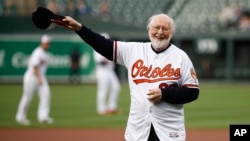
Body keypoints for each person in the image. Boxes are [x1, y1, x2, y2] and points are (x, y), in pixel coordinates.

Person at [56, 13, 200, 141]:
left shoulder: (181, 57)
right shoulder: (134, 50)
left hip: (169, 130)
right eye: (156, 27)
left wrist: (164, 93)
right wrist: (80, 29)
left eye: (165, 28)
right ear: (149, 29)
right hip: (138, 129)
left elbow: (193, 91)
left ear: (172, 33)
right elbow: (104, 45)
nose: (160, 32)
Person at [16, 35, 53, 126]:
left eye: (48, 43)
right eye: (45, 43)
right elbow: (34, 67)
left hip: (41, 76)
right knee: (27, 97)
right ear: (41, 43)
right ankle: (20, 116)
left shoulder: (45, 53)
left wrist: (41, 78)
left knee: (46, 94)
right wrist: (39, 79)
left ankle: (43, 116)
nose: (46, 45)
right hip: (32, 76)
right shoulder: (38, 52)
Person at [94, 32, 121, 115]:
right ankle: (101, 109)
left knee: (116, 87)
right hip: (102, 71)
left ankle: (112, 107)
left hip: (110, 71)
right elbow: (100, 61)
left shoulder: (110, 47)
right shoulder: (97, 48)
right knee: (103, 90)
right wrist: (109, 59)